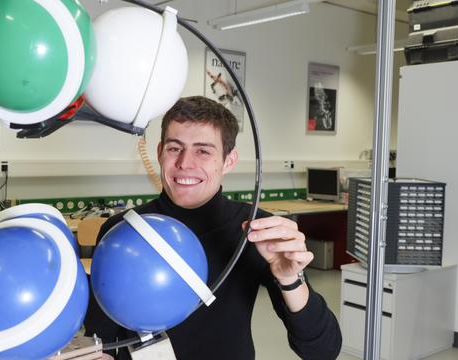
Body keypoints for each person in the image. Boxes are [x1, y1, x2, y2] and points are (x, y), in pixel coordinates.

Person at [84, 96, 342, 359]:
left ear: (228, 161)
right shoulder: (121, 230)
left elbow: (323, 350)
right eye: (175, 148)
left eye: (203, 151)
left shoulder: (254, 232)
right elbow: (100, 337)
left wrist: (288, 279)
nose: (185, 163)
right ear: (160, 152)